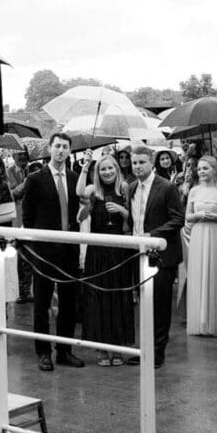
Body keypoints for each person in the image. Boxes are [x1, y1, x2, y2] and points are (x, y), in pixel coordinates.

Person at [20, 133, 82, 371]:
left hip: (69, 249)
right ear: (49, 148)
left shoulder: (76, 179)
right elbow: (27, 216)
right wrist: (33, 246)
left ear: (69, 151)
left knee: (68, 302)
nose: (61, 151)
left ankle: (65, 350)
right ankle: (43, 352)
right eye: (57, 146)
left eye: (65, 147)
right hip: (44, 250)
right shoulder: (35, 179)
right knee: (42, 303)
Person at [127, 145, 185, 367]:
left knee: (160, 306)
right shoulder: (131, 188)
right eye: (134, 163)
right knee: (143, 304)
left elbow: (178, 219)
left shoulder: (167, 187)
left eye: (142, 162)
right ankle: (144, 349)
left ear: (151, 162)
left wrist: (152, 235)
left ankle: (157, 352)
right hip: (138, 254)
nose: (138, 166)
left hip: (162, 255)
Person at [77, 154, 135, 362]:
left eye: (111, 168)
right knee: (98, 297)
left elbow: (131, 220)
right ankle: (101, 348)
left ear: (117, 170)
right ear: (98, 173)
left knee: (118, 297)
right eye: (103, 169)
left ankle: (118, 347)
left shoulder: (125, 188)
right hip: (98, 250)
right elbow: (79, 192)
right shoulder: (94, 190)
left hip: (118, 249)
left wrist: (122, 211)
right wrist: (85, 169)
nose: (107, 172)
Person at [185, 157, 217, 336]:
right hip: (199, 233)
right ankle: (200, 321)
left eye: (205, 168)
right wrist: (200, 214)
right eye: (199, 169)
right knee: (200, 273)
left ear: (214, 170)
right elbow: (188, 216)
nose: (201, 172)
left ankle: (215, 321)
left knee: (215, 271)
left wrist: (214, 217)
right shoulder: (193, 191)